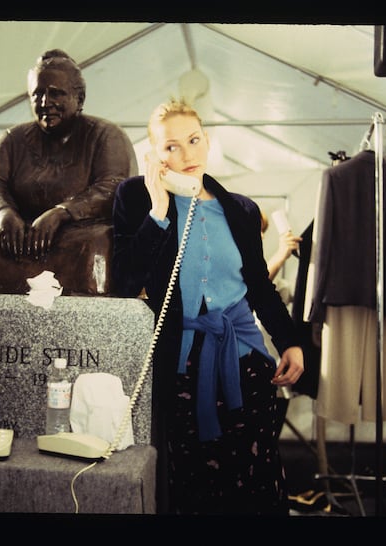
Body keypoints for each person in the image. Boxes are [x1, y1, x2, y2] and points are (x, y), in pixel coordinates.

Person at [112, 99, 304, 515]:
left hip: (246, 359)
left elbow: (258, 286)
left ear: (208, 140)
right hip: (180, 368)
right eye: (171, 147)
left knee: (256, 476)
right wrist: (160, 211)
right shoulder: (134, 197)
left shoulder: (241, 208)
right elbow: (124, 283)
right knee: (193, 484)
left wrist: (290, 341)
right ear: (154, 155)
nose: (186, 154)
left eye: (194, 140)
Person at [0, 49, 137, 295]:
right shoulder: (12, 139)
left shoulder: (106, 135)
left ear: (80, 98)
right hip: (14, 240)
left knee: (100, 241)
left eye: (56, 93)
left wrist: (62, 213)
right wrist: (3, 213)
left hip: (74, 238)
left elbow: (114, 186)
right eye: (38, 94)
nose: (45, 102)